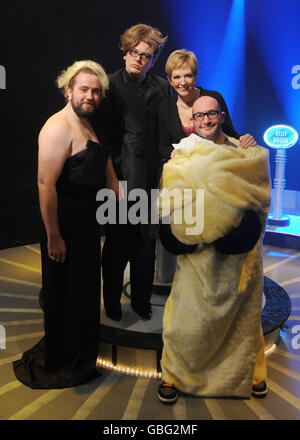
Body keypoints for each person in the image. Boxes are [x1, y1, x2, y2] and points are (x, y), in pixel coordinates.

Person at [13, 60, 120, 389]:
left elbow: (103, 167)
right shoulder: (57, 126)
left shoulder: (87, 125)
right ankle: (63, 361)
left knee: (84, 293)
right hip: (66, 227)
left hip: (87, 226)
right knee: (65, 295)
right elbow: (45, 185)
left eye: (96, 91)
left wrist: (117, 195)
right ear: (68, 90)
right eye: (84, 89)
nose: (90, 95)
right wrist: (54, 236)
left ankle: (81, 358)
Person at [157, 95, 271, 403]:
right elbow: (169, 197)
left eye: (212, 114)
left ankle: (251, 373)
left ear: (221, 115)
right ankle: (174, 374)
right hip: (197, 258)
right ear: (191, 121)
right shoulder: (181, 154)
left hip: (237, 260)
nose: (206, 120)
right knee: (185, 321)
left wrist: (246, 231)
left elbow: (259, 194)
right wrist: (170, 234)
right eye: (200, 116)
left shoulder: (243, 152)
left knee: (242, 320)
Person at [91, 24, 171, 322]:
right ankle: (111, 302)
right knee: (115, 248)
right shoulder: (108, 86)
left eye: (146, 55)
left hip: (152, 181)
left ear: (153, 59)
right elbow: (101, 141)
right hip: (119, 181)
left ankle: (141, 301)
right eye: (133, 53)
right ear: (125, 52)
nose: (138, 59)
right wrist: (112, 183)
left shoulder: (163, 88)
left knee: (146, 248)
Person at [156, 49, 257, 285]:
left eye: (188, 76)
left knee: (214, 238)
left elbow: (229, 132)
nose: (183, 82)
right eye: (177, 77)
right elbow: (160, 145)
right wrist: (172, 153)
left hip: (214, 181)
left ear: (196, 76)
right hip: (182, 180)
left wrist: (244, 139)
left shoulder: (214, 98)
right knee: (182, 237)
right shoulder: (164, 107)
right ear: (169, 79)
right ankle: (177, 283)